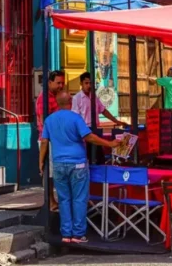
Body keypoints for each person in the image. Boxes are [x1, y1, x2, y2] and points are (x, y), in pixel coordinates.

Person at [39, 91, 120, 244]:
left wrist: (40, 161)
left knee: (64, 200)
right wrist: (109, 144)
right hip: (78, 164)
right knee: (79, 199)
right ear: (70, 101)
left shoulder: (49, 120)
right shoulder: (76, 118)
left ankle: (66, 234)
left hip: (58, 164)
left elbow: (44, 142)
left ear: (57, 103)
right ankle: (77, 234)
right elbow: (88, 137)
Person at [37, 70, 65, 211]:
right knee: (49, 171)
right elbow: (43, 121)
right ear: (49, 82)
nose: (60, 85)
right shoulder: (44, 98)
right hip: (48, 139)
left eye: (62, 83)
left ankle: (56, 200)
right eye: (58, 83)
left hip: (58, 139)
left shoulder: (58, 96)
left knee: (56, 172)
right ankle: (50, 200)